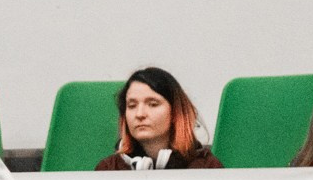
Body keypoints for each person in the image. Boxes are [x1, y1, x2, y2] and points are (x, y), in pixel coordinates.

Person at [93, 67, 224, 170]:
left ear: (175, 113)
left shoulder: (207, 168)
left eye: (153, 104)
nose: (139, 114)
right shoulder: (108, 169)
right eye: (132, 106)